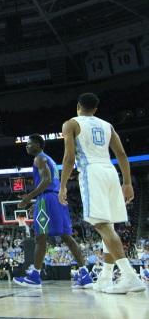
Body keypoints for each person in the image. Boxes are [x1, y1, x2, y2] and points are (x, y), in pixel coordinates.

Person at [59, 93, 145, 294]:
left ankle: (129, 276)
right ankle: (105, 277)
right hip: (110, 172)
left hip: (91, 172)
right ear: (96, 109)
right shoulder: (108, 125)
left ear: (78, 106)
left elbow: (69, 157)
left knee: (102, 225)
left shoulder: (70, 124)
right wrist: (127, 182)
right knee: (109, 228)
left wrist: (62, 185)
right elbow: (122, 154)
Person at [13, 134, 92, 289]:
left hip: (47, 199)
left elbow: (47, 180)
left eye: (29, 144)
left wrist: (28, 197)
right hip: (57, 198)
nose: (27, 146)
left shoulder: (39, 159)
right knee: (66, 237)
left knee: (40, 238)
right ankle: (85, 274)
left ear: (38, 145)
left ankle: (35, 276)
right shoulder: (50, 159)